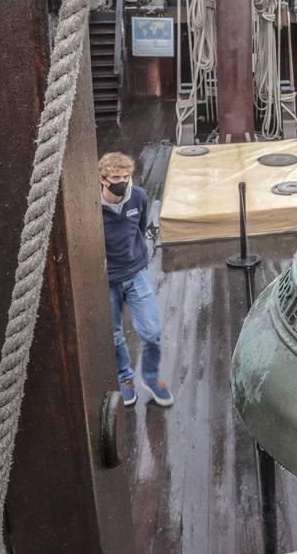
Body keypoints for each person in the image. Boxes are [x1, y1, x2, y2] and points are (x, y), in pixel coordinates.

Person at [100, 151, 173, 408]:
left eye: (126, 176)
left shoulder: (139, 197)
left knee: (151, 332)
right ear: (103, 180)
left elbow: (141, 228)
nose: (122, 181)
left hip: (136, 273)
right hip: (107, 281)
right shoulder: (92, 206)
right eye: (116, 177)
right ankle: (125, 378)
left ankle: (151, 378)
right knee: (115, 335)